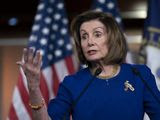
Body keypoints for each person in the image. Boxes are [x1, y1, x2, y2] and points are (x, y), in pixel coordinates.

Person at [17, 11, 160, 120]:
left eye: (97, 34)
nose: (89, 42)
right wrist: (34, 87)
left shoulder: (140, 75)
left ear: (113, 39)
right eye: (84, 36)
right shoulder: (72, 83)